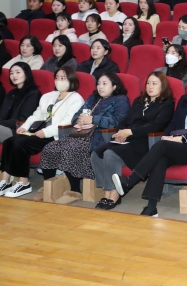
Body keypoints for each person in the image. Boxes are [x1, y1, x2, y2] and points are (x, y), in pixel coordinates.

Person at [113, 68, 187, 217]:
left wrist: (181, 139)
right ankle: (151, 207)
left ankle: (130, 181)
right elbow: (173, 123)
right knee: (161, 160)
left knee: (162, 146)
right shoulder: (184, 99)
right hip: (176, 145)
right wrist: (167, 135)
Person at [38, 73, 130, 204]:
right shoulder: (93, 98)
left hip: (100, 136)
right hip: (80, 133)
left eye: (105, 84)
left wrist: (93, 119)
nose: (100, 87)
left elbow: (118, 121)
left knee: (70, 149)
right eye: (99, 83)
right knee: (50, 148)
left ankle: (75, 190)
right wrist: (79, 120)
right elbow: (76, 115)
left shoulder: (121, 99)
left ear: (114, 86)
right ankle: (48, 186)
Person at [89, 71, 174, 210]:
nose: (150, 86)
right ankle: (107, 192)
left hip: (146, 142)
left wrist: (131, 132)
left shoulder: (167, 103)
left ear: (163, 86)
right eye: (148, 83)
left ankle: (115, 194)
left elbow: (156, 125)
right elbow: (125, 121)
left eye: (154, 83)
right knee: (96, 153)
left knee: (110, 154)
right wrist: (120, 132)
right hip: (127, 138)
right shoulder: (139, 101)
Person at [0, 67, 83, 198]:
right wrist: (25, 127)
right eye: (57, 78)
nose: (59, 81)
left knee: (20, 144)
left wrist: (45, 131)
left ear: (71, 80)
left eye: (63, 78)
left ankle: (24, 183)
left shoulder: (76, 99)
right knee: (10, 141)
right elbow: (36, 115)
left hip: (55, 135)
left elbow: (67, 121)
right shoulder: (48, 96)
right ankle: (5, 181)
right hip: (38, 131)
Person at [0, 62, 41, 142]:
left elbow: (23, 120)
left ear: (26, 73)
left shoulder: (33, 94)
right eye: (11, 73)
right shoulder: (11, 93)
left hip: (17, 130)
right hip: (3, 126)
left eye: (18, 72)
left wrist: (2, 123)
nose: (14, 75)